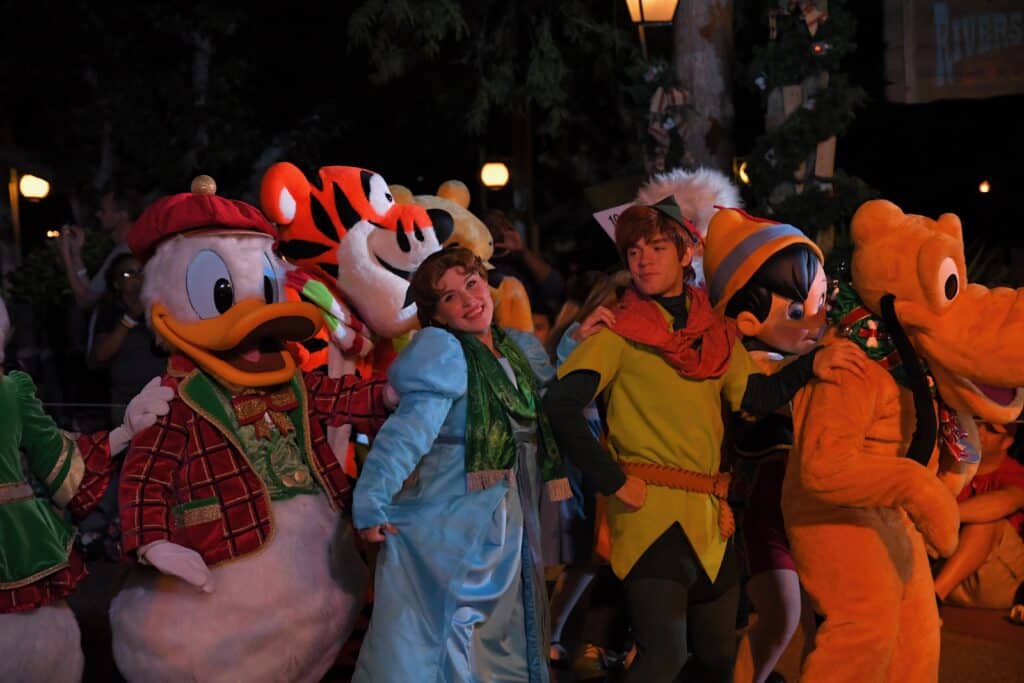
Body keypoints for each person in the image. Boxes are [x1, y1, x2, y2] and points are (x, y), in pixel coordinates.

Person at [543, 199, 865, 682]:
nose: (643, 260)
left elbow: (753, 396)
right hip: (649, 512)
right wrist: (611, 480)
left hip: (712, 519)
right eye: (633, 252)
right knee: (663, 657)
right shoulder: (619, 333)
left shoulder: (715, 334)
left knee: (716, 658)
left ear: (686, 252)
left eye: (656, 247)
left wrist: (809, 366)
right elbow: (559, 406)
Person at [352, 247, 574, 683]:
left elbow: (550, 406)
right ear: (438, 317)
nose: (470, 300)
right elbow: (407, 435)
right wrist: (372, 500)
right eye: (451, 297)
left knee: (502, 639)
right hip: (458, 524)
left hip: (509, 520)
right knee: (462, 642)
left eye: (471, 284)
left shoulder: (515, 352)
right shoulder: (445, 355)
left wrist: (578, 343)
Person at [701, 208, 828, 683]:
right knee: (781, 616)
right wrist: (812, 365)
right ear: (749, 317)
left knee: (824, 619)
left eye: (820, 303)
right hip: (761, 507)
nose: (815, 321)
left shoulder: (800, 361)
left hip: (807, 505)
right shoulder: (744, 361)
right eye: (797, 311)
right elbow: (756, 400)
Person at [934, 419, 1024, 622]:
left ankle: (932, 597)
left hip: (995, 579)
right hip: (944, 566)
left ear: (1007, 442)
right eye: (976, 422)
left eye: (991, 429)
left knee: (987, 520)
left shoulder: (1015, 473)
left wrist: (936, 512)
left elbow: (1005, 502)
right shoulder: (950, 466)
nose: (979, 431)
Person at [87, 252, 167, 424]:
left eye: (141, 272)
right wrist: (130, 317)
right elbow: (100, 355)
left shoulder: (162, 307)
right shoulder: (109, 311)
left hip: (164, 398)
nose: (137, 278)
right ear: (117, 283)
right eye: (128, 274)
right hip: (125, 403)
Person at [57, 189, 142, 310]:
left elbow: (85, 300)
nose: (98, 214)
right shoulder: (123, 248)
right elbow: (92, 291)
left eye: (103, 211)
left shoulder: (125, 252)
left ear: (122, 214)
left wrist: (66, 256)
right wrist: (76, 254)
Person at [485, 209, 565, 315]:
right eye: (493, 226)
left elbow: (555, 287)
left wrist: (523, 251)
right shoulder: (487, 267)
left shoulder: (523, 255)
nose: (501, 229)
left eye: (503, 223)